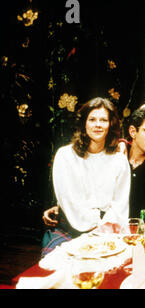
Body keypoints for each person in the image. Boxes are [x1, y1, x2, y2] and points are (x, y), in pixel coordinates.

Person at [42, 98, 130, 256]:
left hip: (107, 231)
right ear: (84, 123)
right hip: (69, 228)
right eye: (92, 119)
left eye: (103, 120)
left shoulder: (119, 160)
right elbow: (69, 200)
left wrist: (102, 233)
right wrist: (93, 227)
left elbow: (120, 204)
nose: (98, 125)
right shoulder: (65, 156)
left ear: (111, 124)